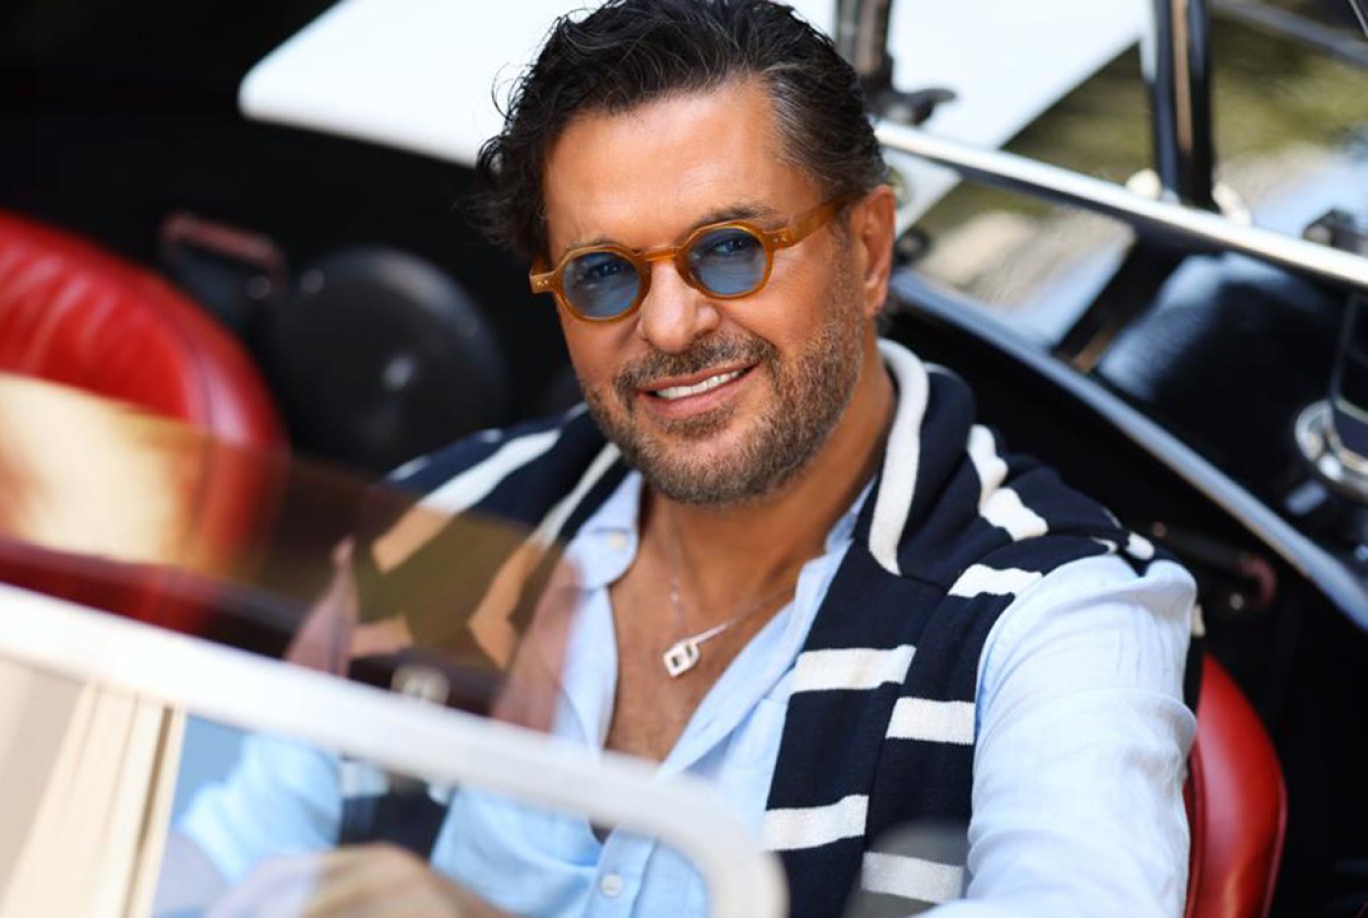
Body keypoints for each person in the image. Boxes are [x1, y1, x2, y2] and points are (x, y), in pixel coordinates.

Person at [164, 1, 1197, 915]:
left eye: (730, 248)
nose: (667, 325)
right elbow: (229, 854)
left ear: (869, 251)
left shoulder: (1051, 613)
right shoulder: (445, 525)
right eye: (602, 273)